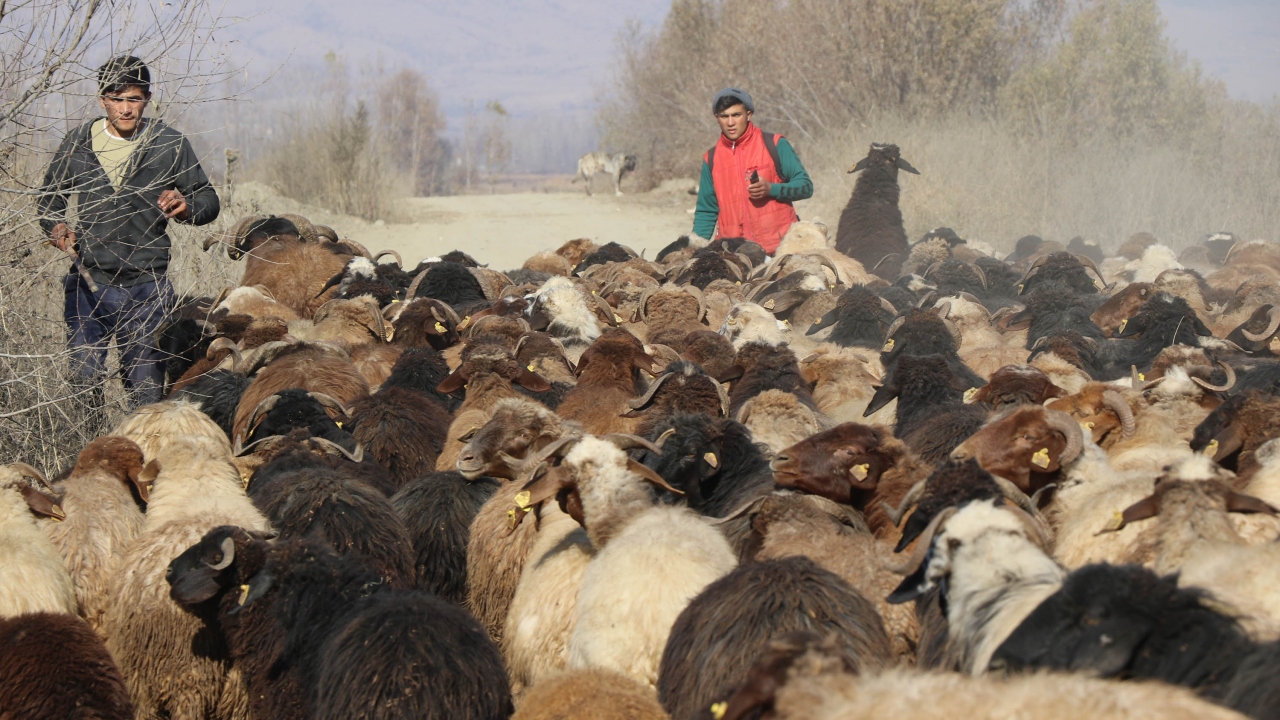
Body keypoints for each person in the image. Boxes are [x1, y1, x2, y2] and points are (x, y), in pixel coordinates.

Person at [38, 55, 219, 409]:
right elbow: (49, 199)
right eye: (117, 98)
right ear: (102, 99)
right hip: (88, 282)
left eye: (133, 99)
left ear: (147, 99)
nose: (125, 108)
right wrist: (56, 227)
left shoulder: (169, 144)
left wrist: (187, 207)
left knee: (146, 387)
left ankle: (143, 454)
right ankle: (87, 448)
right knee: (83, 377)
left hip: (147, 286)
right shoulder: (78, 142)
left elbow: (208, 200)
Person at [691, 87, 812, 255]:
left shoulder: (775, 144)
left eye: (736, 115)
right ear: (717, 118)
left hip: (781, 251)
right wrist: (694, 251)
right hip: (734, 256)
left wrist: (771, 189)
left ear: (748, 114)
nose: (730, 122)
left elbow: (806, 187)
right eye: (724, 116)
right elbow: (706, 211)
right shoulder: (710, 159)